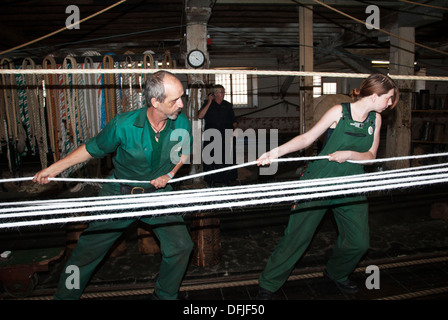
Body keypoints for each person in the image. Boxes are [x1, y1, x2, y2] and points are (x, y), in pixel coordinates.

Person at [33, 70, 193, 300]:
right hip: (119, 194)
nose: (181, 104)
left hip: (158, 195)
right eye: (175, 99)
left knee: (181, 246)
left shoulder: (182, 123)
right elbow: (92, 149)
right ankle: (65, 297)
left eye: (181, 97)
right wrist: (54, 169)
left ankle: (165, 295)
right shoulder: (123, 125)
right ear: (155, 102)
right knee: (85, 254)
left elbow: (183, 155)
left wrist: (170, 173)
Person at [256, 73, 399, 299]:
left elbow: (371, 156)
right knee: (297, 236)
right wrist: (275, 153)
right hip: (319, 180)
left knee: (359, 242)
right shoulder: (338, 112)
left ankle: (336, 273)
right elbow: (306, 139)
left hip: (351, 185)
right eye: (388, 97)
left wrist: (350, 154)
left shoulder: (376, 119)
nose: (390, 103)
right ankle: (268, 283)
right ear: (374, 95)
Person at [198, 84, 238, 187]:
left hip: (226, 136)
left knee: (227, 159)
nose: (223, 94)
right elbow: (200, 115)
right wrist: (210, 101)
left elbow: (233, 120)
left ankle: (226, 180)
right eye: (221, 92)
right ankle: (211, 181)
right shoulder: (208, 104)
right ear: (215, 94)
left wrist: (235, 129)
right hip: (212, 137)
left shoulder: (227, 105)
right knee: (212, 160)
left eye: (224, 92)